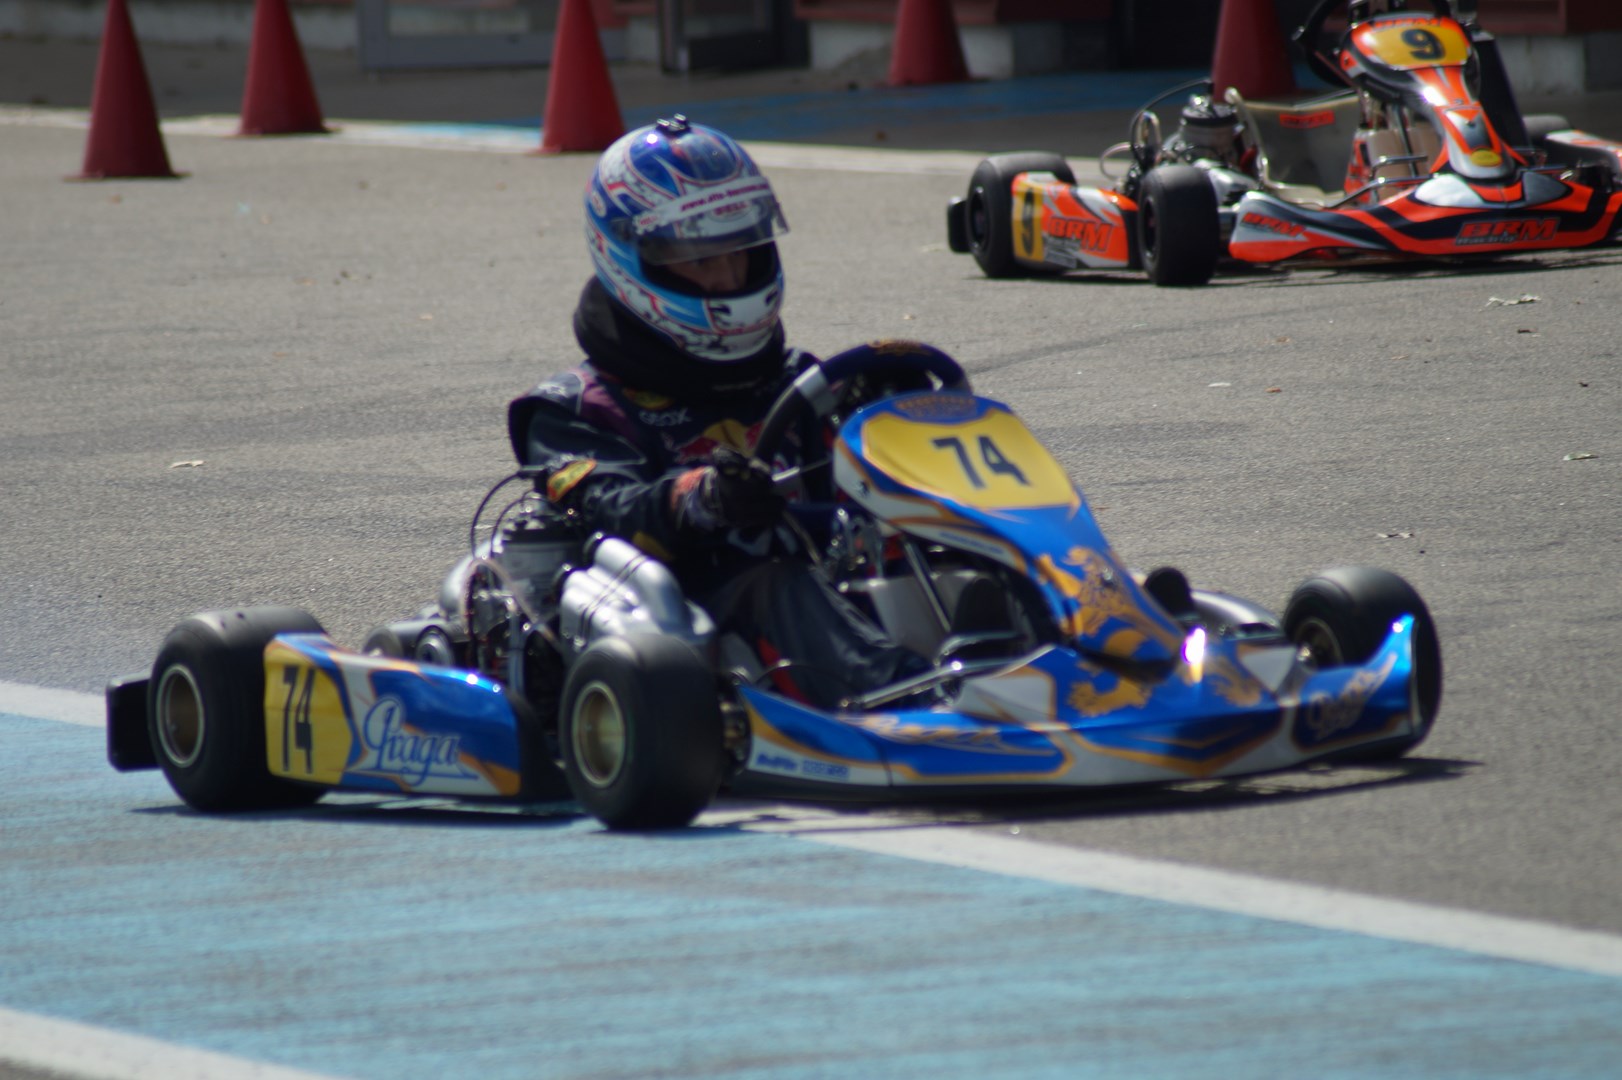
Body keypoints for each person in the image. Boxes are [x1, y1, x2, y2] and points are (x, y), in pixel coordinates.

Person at [507, 116, 921, 709]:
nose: (728, 277)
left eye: (741, 253)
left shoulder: (802, 382)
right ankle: (914, 701)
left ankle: (1031, 651)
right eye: (701, 261)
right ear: (632, 261)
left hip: (829, 597)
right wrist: (699, 498)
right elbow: (613, 511)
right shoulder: (573, 410)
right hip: (681, 634)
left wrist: (897, 420)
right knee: (774, 582)